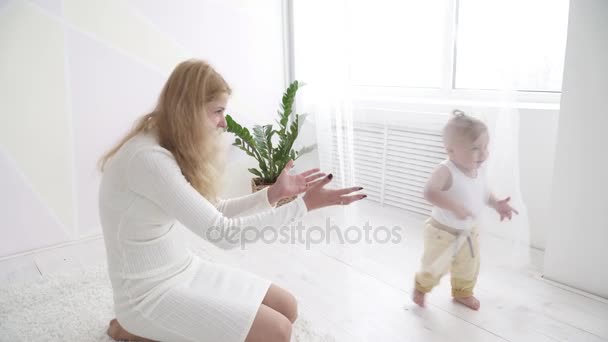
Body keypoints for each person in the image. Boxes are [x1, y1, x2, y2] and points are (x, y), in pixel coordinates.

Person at [98, 59, 365, 342]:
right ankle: (133, 328)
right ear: (188, 110)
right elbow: (223, 234)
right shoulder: (148, 160)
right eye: (218, 111)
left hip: (184, 268)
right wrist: (304, 206)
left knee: (288, 307)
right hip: (147, 296)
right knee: (277, 332)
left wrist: (273, 194)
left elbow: (216, 210)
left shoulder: (166, 144)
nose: (224, 122)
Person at [412, 110, 518, 311]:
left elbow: (484, 193)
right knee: (435, 266)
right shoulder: (445, 170)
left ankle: (463, 292)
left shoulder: (478, 170)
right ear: (450, 150)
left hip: (469, 232)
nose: (483, 153)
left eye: (485, 147)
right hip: (442, 233)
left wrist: (497, 204)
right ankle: (421, 287)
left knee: (469, 265)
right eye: (475, 148)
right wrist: (454, 206)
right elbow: (429, 192)